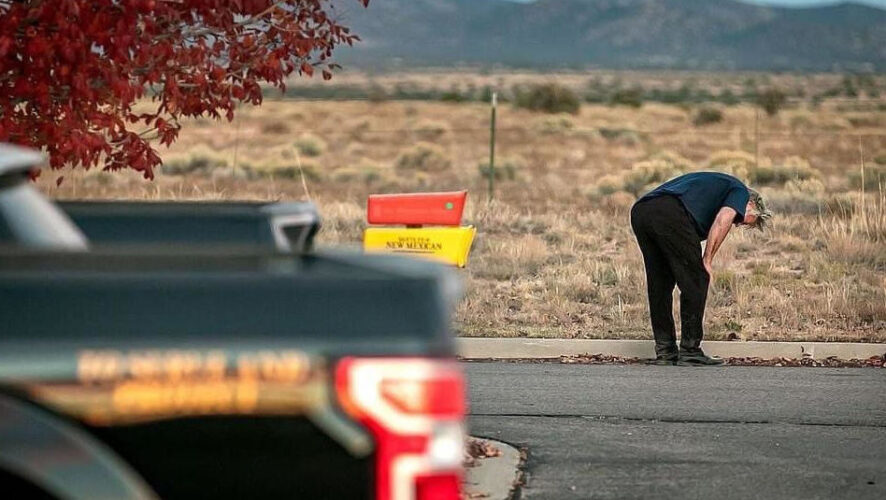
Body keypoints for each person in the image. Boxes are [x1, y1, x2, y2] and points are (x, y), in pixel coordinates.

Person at [630, 172, 771, 366]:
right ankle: (690, 351)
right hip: (669, 212)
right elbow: (723, 219)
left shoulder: (715, 190)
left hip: (642, 211)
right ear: (751, 204)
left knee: (660, 285)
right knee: (697, 279)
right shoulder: (740, 191)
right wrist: (707, 260)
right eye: (742, 220)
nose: (737, 223)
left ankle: (665, 351)